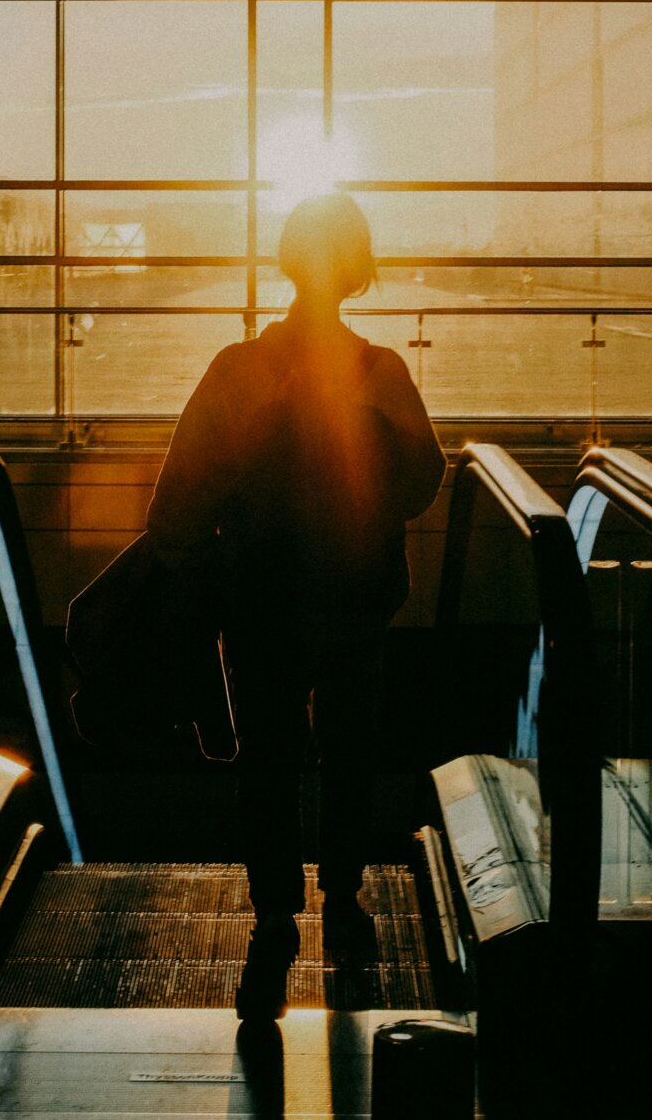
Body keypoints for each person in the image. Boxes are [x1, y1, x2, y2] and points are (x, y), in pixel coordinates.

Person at [144, 193, 446, 1022]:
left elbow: (179, 497)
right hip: (357, 595)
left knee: (268, 759)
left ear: (287, 257)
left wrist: (195, 549)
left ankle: (274, 915)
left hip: (261, 599)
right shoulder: (383, 371)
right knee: (350, 749)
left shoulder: (238, 370)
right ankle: (344, 897)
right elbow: (424, 478)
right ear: (357, 270)